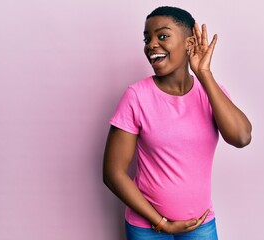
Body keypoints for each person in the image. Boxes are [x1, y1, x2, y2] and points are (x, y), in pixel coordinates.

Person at [103, 6, 252, 240]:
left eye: (162, 36)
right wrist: (161, 223)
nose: (151, 44)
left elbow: (241, 138)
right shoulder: (136, 96)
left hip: (200, 224)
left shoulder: (211, 93)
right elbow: (113, 173)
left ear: (189, 43)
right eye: (147, 38)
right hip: (147, 228)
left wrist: (204, 74)